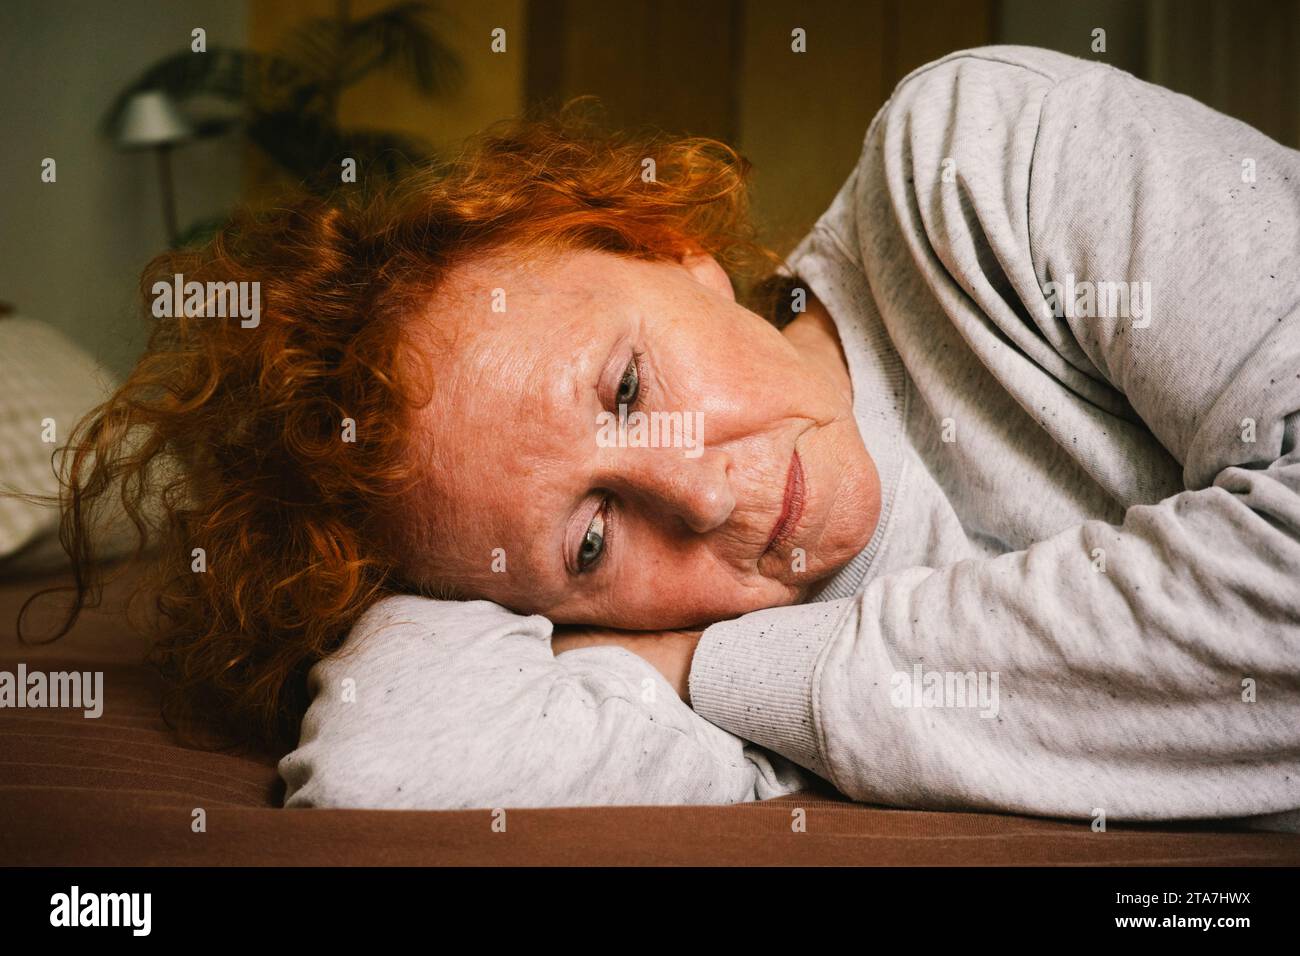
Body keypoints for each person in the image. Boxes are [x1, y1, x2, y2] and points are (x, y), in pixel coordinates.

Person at [55, 46, 1300, 826]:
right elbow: (376, 770)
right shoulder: (635, 645)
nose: (697, 498)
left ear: (670, 249)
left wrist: (709, 670)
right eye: (591, 535)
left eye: (628, 386)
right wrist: (433, 548)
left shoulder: (974, 165)